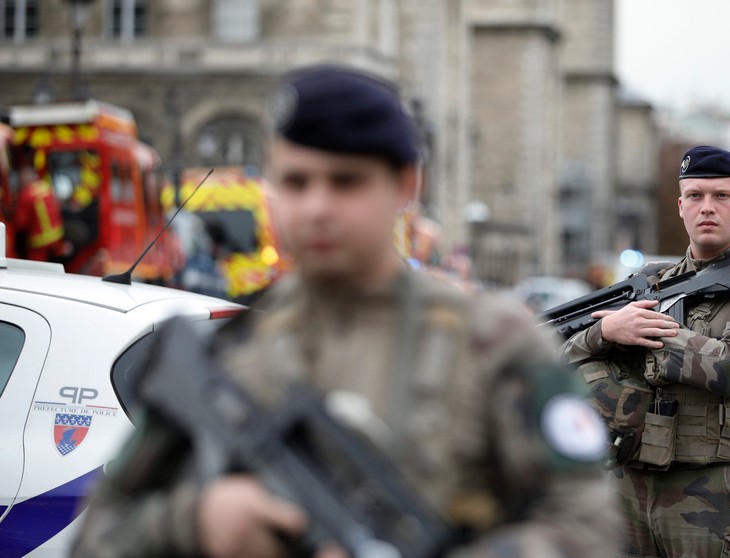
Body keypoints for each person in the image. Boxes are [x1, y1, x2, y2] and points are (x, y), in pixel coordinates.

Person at [70, 66, 618, 558]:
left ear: (407, 184)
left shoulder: (495, 341)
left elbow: (588, 527)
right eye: (296, 181)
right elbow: (97, 534)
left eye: (345, 181)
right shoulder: (230, 349)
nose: (317, 207)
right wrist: (198, 522)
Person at [561, 146, 730, 558]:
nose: (707, 207)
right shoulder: (645, 285)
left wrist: (644, 332)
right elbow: (562, 362)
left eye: (721, 196)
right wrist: (604, 331)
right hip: (628, 487)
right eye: (695, 196)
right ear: (681, 206)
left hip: (714, 493)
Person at [11, 162, 66, 262]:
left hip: (39, 241)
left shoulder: (26, 195)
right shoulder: (46, 187)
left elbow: (20, 223)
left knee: (35, 266)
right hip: (57, 235)